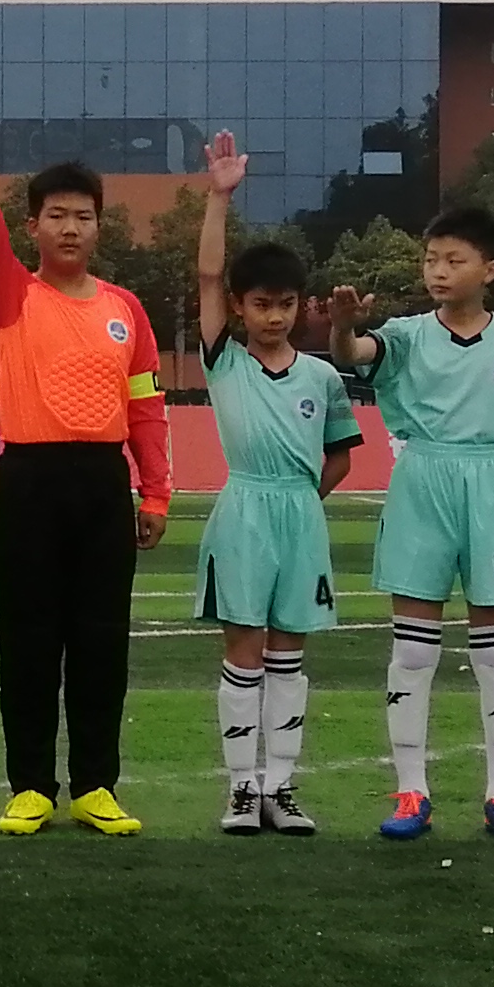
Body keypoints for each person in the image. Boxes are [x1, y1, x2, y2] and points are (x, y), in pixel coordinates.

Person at [0, 53, 171, 837]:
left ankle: (96, 785)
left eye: (84, 216)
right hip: (30, 483)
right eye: (57, 216)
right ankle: (31, 785)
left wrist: (155, 490)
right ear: (33, 225)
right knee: (29, 641)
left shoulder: (126, 310)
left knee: (102, 642)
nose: (71, 228)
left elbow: (147, 410)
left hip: (103, 485)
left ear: (101, 226)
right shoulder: (11, 294)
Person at [323, 206, 494, 841]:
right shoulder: (404, 335)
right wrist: (342, 326)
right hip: (421, 483)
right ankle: (411, 792)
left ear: (490, 269)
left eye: (454, 260)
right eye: (431, 260)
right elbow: (354, 352)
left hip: (491, 485)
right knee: (413, 651)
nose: (439, 271)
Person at [188, 133, 359, 834]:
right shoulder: (225, 361)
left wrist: (302, 502)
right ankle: (240, 789)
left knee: (290, 654)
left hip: (299, 517)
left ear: (300, 305)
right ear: (239, 307)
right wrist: (219, 197)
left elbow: (341, 458)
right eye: (261, 304)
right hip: (244, 512)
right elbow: (206, 277)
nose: (274, 315)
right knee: (244, 651)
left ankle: (281, 788)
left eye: (286, 303)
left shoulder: (322, 376)